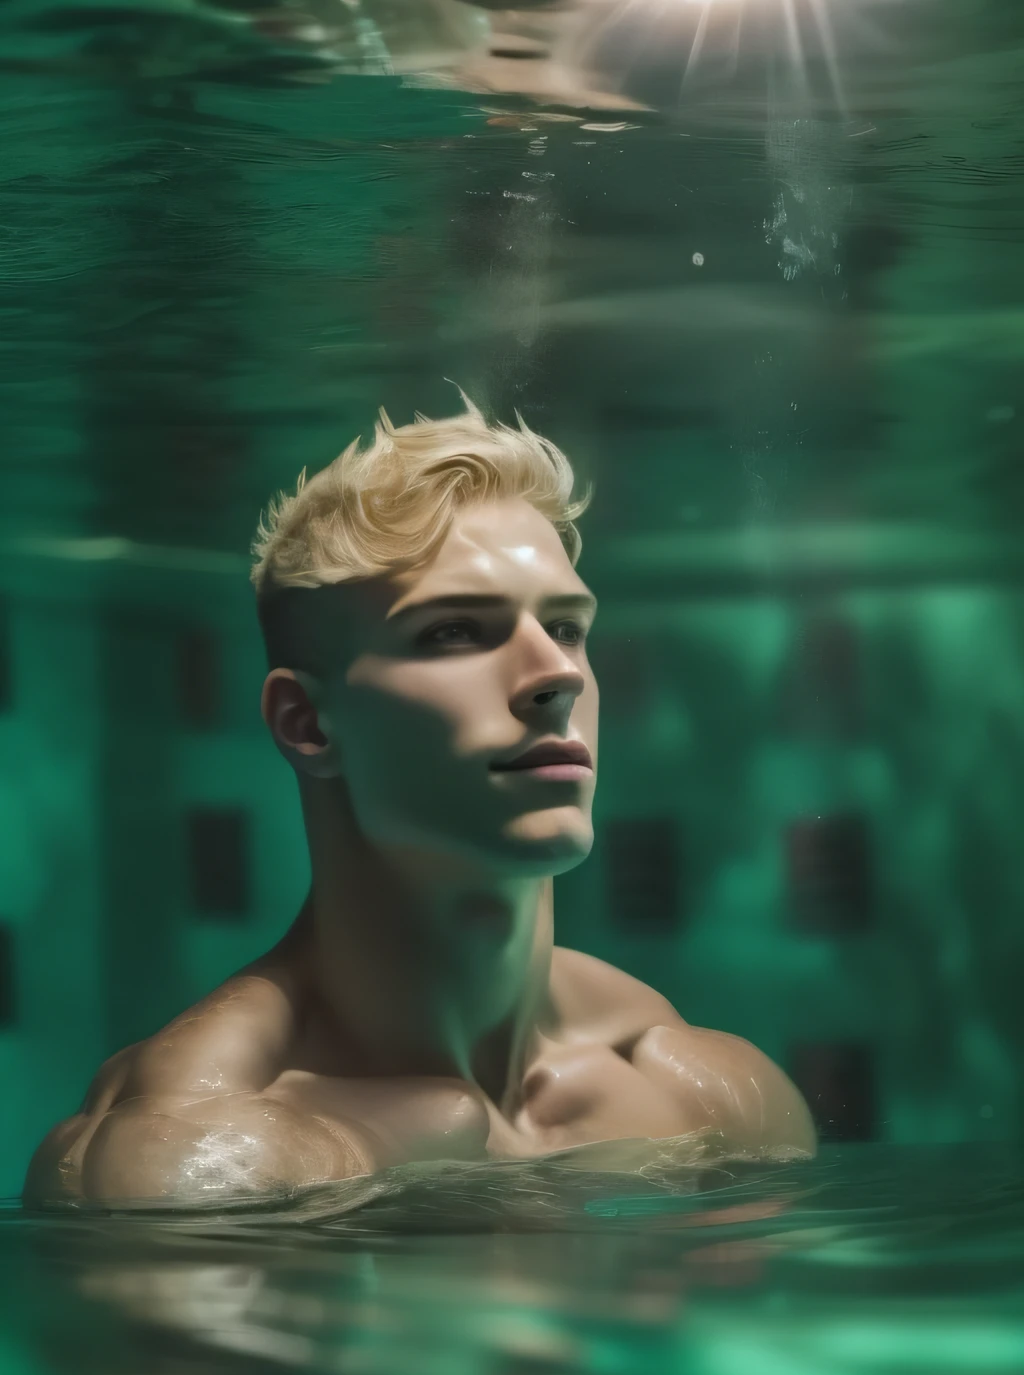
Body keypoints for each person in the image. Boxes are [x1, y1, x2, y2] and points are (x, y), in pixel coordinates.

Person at [24, 396, 816, 1207]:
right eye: (455, 633)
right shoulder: (193, 1140)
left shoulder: (715, 1099)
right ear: (306, 724)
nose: (559, 675)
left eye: (569, 627)